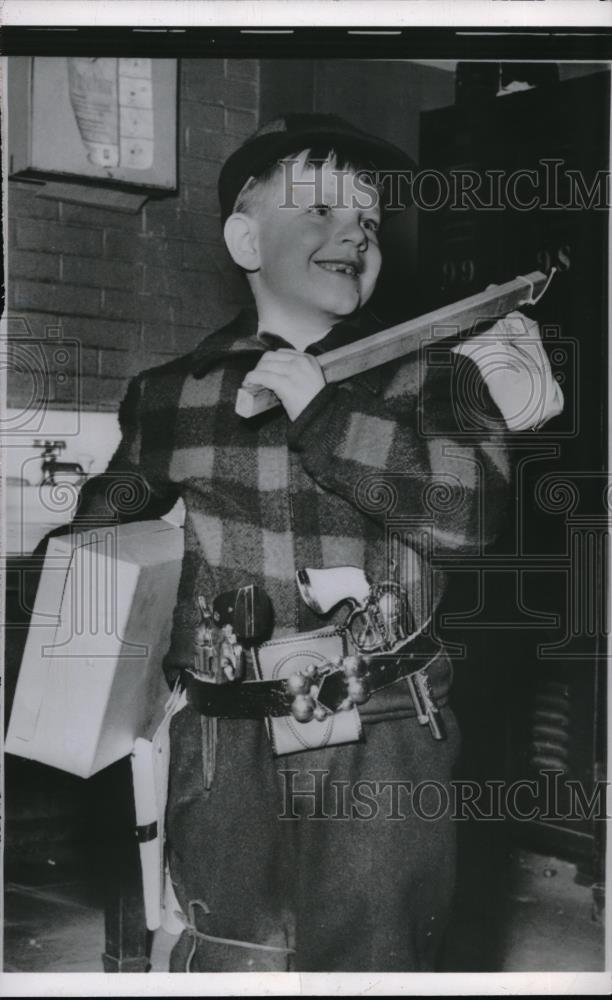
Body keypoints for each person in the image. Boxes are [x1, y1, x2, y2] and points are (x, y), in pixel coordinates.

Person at [60, 114, 513, 971]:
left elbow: (469, 517)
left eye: (370, 220)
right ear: (244, 237)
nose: (354, 231)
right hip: (222, 739)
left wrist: (326, 414)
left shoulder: (437, 374)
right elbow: (99, 536)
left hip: (383, 729)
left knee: (373, 957)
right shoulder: (172, 394)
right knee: (227, 954)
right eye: (320, 210)